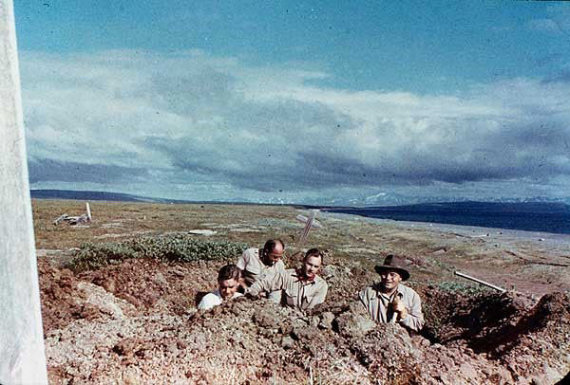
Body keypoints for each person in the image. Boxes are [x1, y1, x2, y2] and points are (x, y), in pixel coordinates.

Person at [247, 248, 328, 310]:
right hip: (285, 316)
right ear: (303, 261)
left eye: (316, 266)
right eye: (309, 264)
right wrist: (250, 293)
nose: (312, 269)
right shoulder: (287, 275)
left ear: (319, 267)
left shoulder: (321, 286)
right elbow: (264, 283)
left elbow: (314, 310)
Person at [359, 254, 424, 332]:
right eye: (384, 274)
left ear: (400, 277)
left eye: (392, 275)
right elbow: (358, 319)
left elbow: (418, 324)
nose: (387, 278)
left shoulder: (412, 296)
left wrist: (403, 315)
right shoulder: (367, 294)